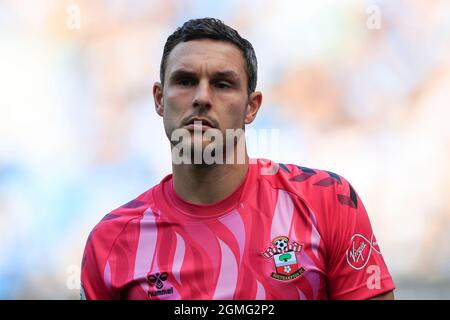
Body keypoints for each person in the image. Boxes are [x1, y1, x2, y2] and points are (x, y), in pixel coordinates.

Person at [80, 17, 395, 300]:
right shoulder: (112, 242)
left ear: (251, 107)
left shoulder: (327, 201)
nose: (202, 97)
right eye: (186, 81)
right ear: (160, 100)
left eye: (222, 84)